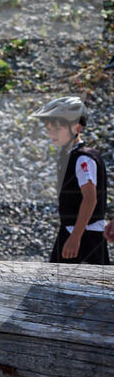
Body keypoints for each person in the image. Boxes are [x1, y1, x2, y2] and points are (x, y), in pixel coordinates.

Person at [31, 97, 109, 264]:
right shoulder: (68, 155)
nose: (52, 134)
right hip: (70, 230)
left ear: (77, 128)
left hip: (86, 236)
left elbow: (90, 199)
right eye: (49, 129)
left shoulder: (83, 159)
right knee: (52, 284)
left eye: (57, 129)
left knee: (89, 287)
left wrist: (75, 238)